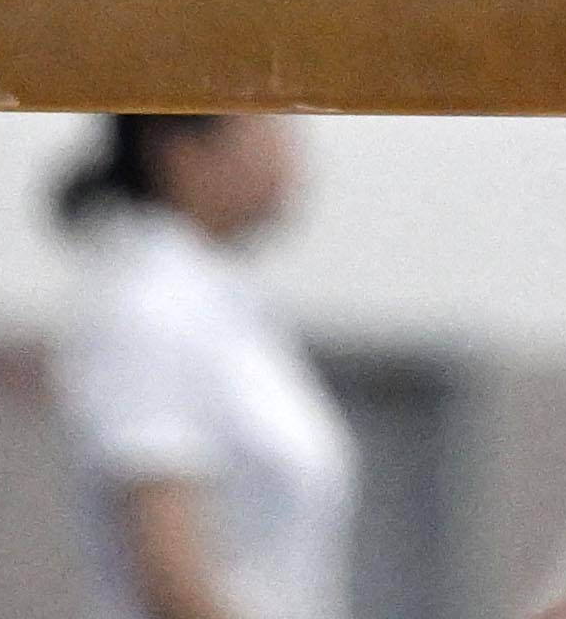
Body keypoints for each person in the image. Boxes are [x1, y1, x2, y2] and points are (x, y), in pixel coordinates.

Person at [41, 112, 353, 619]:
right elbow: (171, 581)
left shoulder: (221, 300)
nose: (288, 143)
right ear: (179, 148)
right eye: (268, 121)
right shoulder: (147, 309)